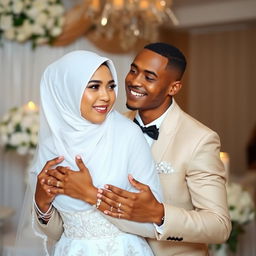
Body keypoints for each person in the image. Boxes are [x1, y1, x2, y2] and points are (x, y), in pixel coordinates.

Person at [35, 43, 231, 255]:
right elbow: (64, 227)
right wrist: (41, 205)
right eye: (133, 70)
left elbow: (219, 225)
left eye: (149, 77)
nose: (134, 81)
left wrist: (159, 214)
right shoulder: (107, 124)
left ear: (173, 88)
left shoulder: (199, 139)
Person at [25, 50, 163, 256]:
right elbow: (57, 232)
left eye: (111, 86)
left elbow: (155, 220)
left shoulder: (128, 135)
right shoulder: (51, 146)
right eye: (94, 87)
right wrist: (41, 204)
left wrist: (90, 193)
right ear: (67, 89)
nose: (106, 96)